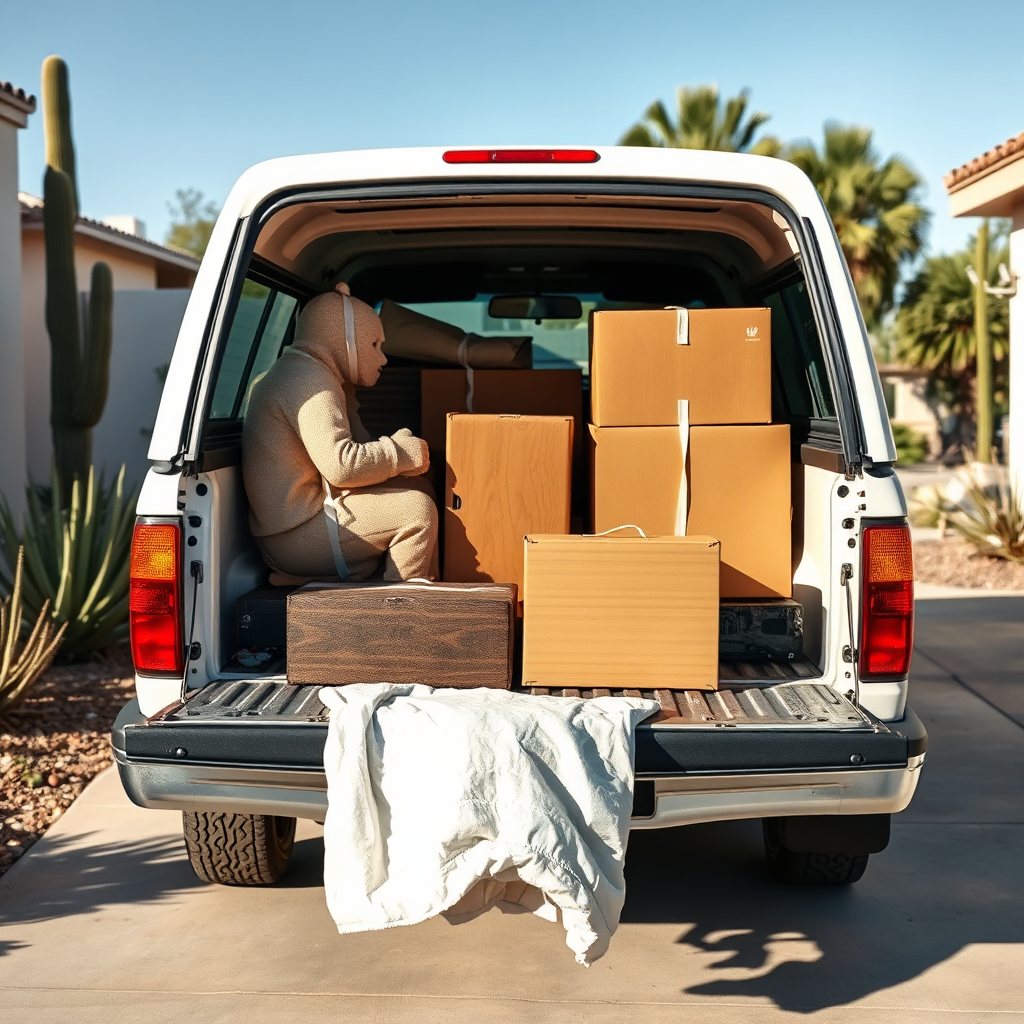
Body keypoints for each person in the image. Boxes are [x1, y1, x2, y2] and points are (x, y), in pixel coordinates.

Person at [242, 283, 438, 583]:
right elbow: (342, 466)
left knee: (422, 488)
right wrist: (399, 452)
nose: (383, 358)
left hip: (299, 523)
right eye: (374, 345)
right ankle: (401, 613)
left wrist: (400, 458)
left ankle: (425, 590)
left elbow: (358, 446)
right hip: (297, 535)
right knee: (417, 511)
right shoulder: (308, 381)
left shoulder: (312, 374)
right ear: (341, 340)